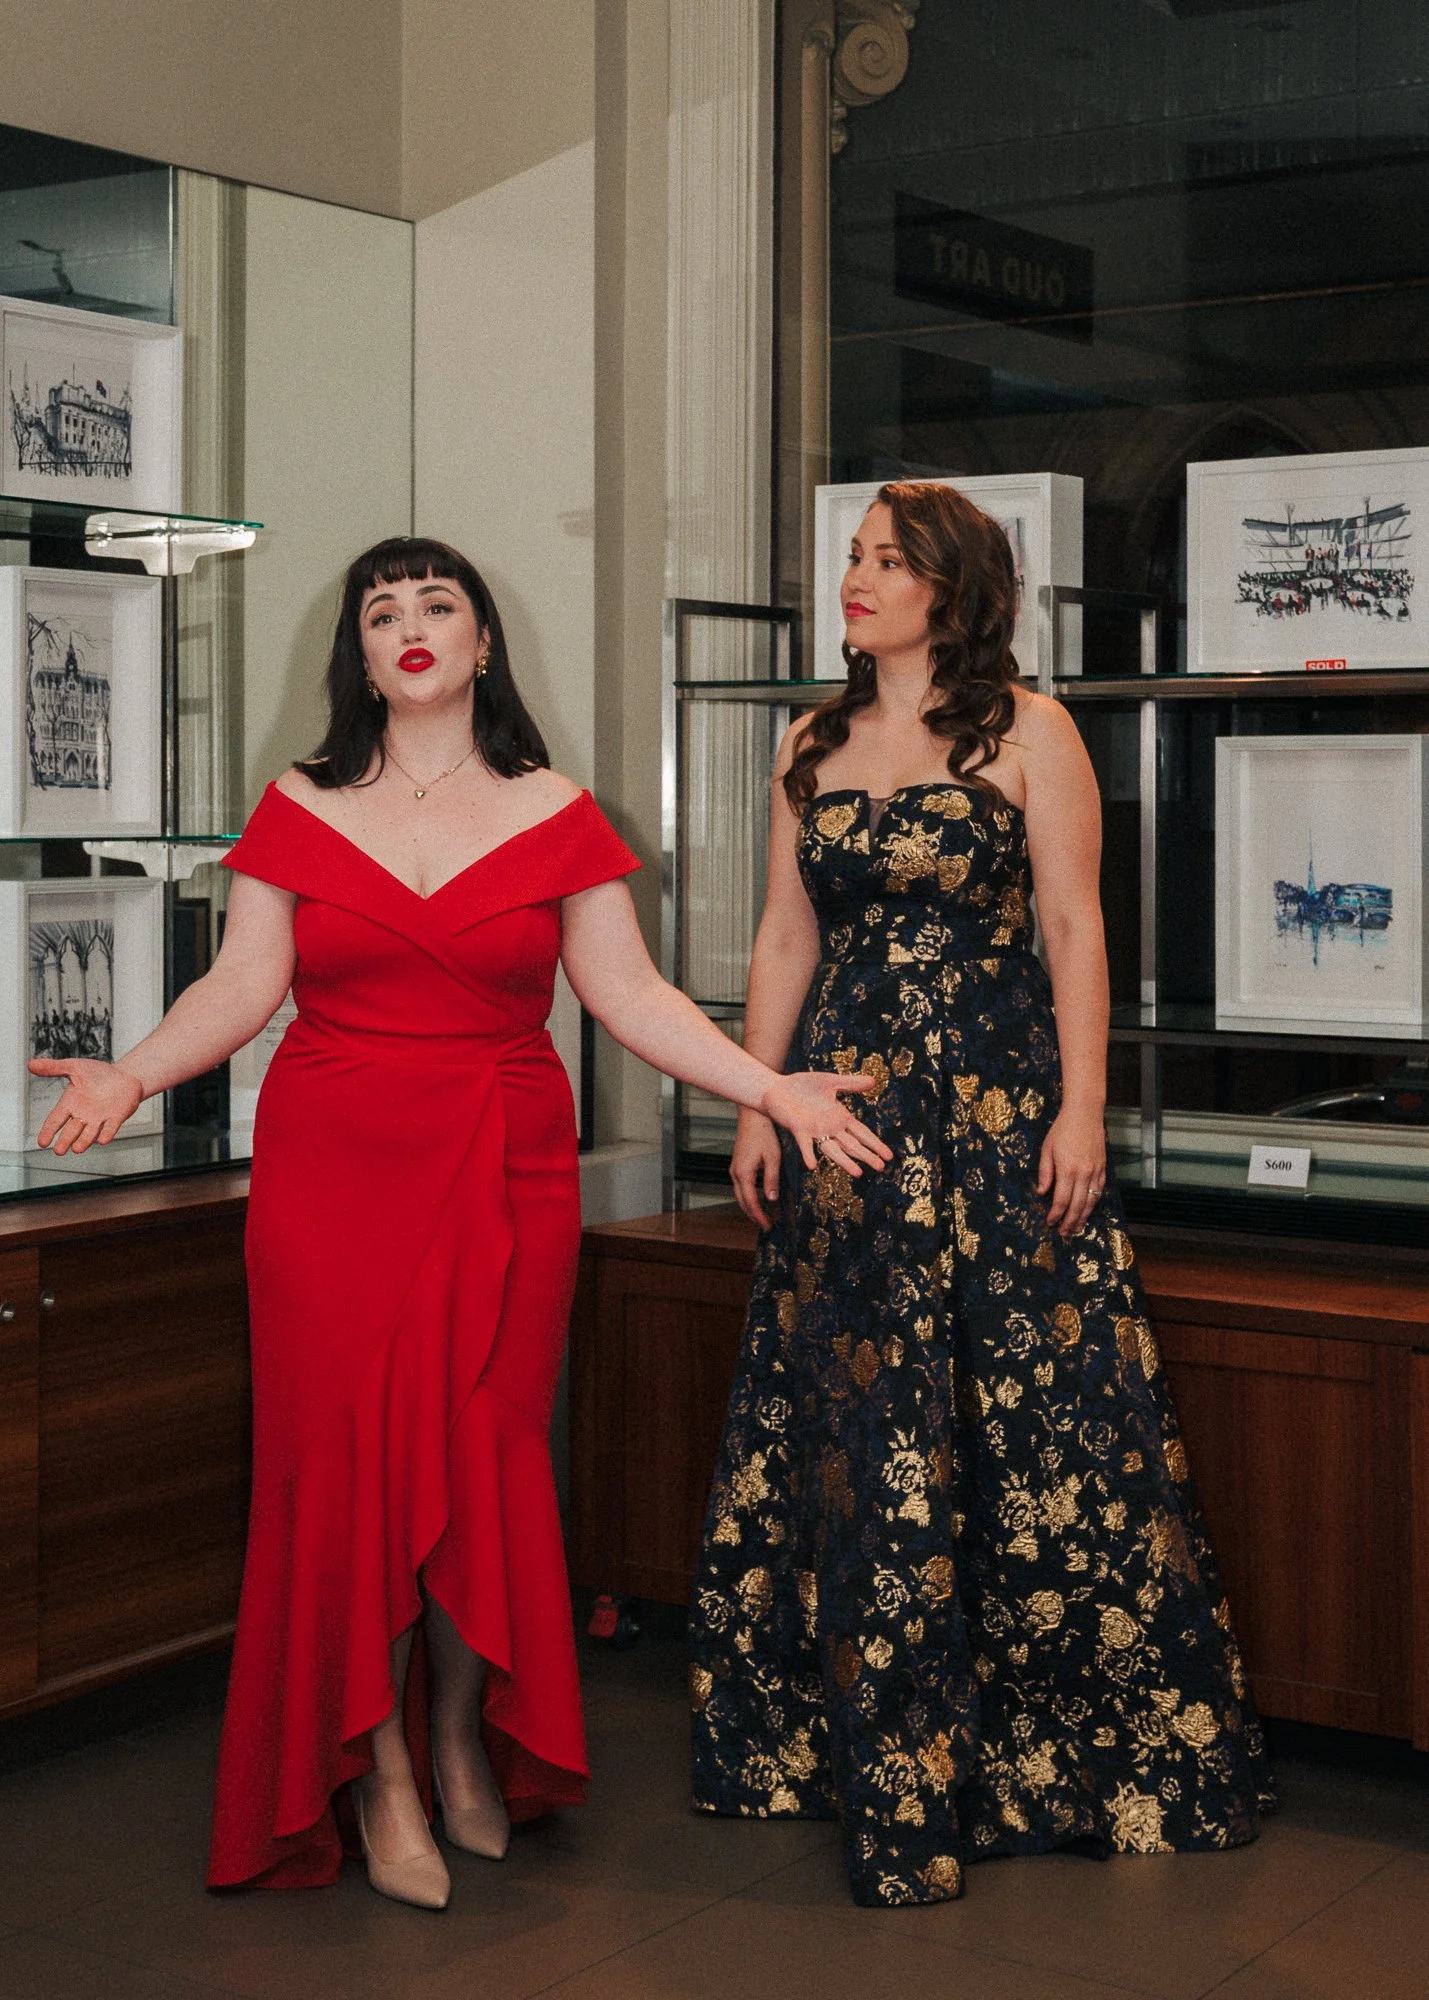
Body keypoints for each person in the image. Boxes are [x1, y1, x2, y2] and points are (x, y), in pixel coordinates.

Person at [28, 535, 891, 1912]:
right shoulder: (299, 805)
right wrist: (130, 1074)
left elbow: (630, 993)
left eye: (439, 604)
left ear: (485, 644)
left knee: (482, 1458)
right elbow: (242, 985)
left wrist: (767, 1084)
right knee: (344, 1470)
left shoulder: (555, 811)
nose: (411, 625)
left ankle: (454, 1738)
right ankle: (377, 1774)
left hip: (503, 1162)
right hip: (330, 1173)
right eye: (382, 612)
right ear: (361, 656)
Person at [688, 481, 1272, 1908]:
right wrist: (757, 1097)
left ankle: (1051, 1756)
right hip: (845, 1124)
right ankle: (862, 1752)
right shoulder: (810, 740)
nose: (856, 578)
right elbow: (784, 932)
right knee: (858, 1420)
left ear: (953, 590)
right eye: (853, 557)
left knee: (1034, 1417)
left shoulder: (1032, 731)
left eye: (888, 561)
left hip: (1000, 1112)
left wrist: (1082, 1108)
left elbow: (1076, 926)